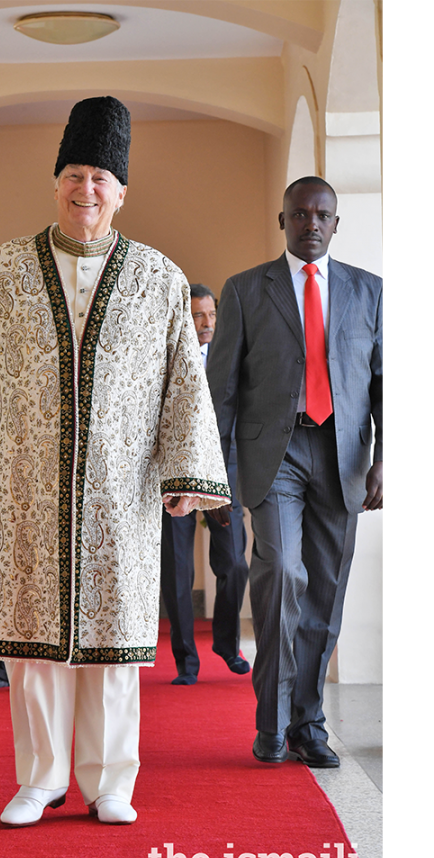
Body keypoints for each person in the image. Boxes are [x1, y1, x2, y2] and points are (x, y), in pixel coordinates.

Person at [0, 97, 229, 827]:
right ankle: (40, 779)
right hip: (24, 492)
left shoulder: (160, 280)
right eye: (75, 175)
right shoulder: (0, 273)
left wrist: (185, 474)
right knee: (33, 655)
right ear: (55, 181)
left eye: (100, 178)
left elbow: (185, 381)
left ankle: (110, 784)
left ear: (122, 192)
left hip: (119, 498)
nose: (86, 190)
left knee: (115, 652)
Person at [206, 176, 390, 769]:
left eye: (322, 215)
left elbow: (388, 386)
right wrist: (219, 481)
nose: (311, 223)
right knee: (282, 574)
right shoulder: (244, 291)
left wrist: (386, 459)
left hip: (342, 457)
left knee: (325, 595)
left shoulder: (370, 292)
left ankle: (308, 723)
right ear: (282, 220)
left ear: (336, 223)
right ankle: (271, 721)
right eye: (300, 214)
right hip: (273, 458)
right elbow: (223, 394)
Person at [159, 284, 252, 685]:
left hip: (223, 475)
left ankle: (227, 644)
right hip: (176, 473)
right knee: (178, 569)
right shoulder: (167, 355)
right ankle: (186, 663)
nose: (207, 323)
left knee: (233, 561)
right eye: (198, 315)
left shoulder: (232, 357)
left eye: (212, 315)